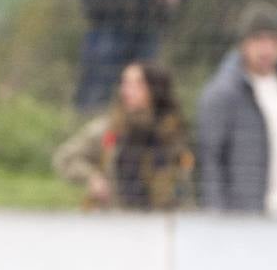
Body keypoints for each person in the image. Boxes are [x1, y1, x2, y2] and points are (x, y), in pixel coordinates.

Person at [197, 0, 277, 215]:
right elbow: (210, 162)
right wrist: (216, 217)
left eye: (273, 40)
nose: (266, 49)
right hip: (245, 218)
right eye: (258, 40)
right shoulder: (222, 94)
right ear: (243, 44)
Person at [53, 60, 194, 210]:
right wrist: (92, 177)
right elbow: (66, 157)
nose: (126, 90)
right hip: (115, 223)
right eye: (125, 83)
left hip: (161, 222)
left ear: (155, 88)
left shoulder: (175, 134)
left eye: (137, 84)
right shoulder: (107, 129)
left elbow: (187, 186)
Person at [74, 0, 188, 112]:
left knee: (144, 88)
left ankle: (137, 126)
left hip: (148, 21)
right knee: (97, 86)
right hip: (108, 20)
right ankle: (89, 123)